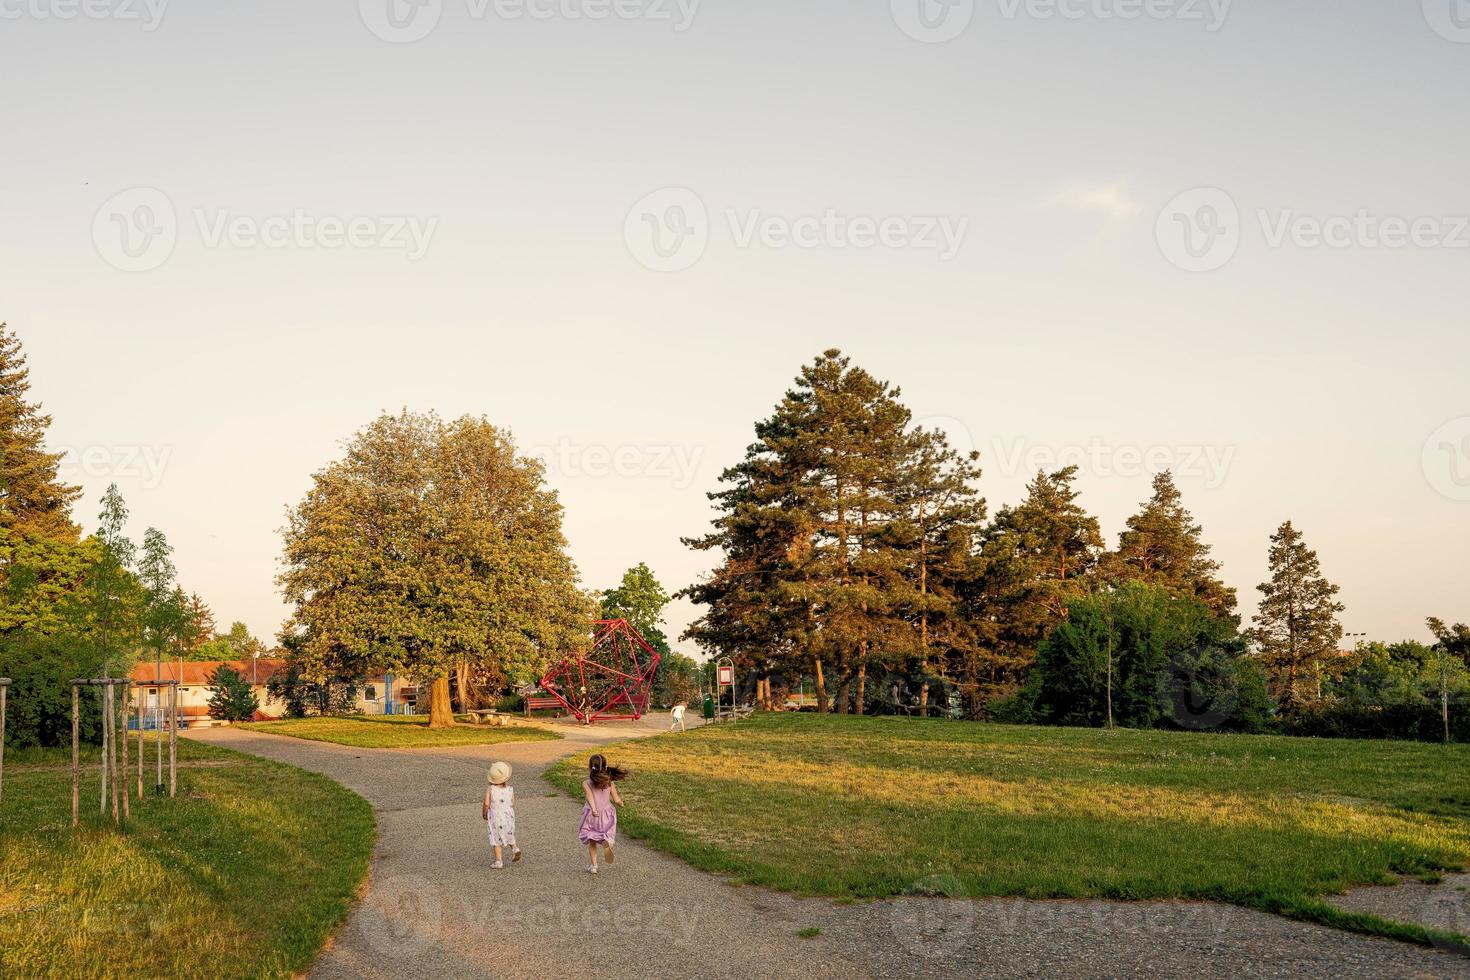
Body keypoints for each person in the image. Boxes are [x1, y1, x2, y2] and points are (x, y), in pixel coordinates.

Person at [578, 753, 627, 874]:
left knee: (592, 841)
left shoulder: (586, 783)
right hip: (606, 815)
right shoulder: (609, 783)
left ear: (590, 768)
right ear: (605, 767)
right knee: (606, 833)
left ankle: (594, 866)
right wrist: (621, 803)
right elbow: (616, 799)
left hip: (592, 816)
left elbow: (589, 796)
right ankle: (607, 843)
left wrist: (594, 809)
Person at [482, 761, 521, 869]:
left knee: (496, 838)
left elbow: (486, 803)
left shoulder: (491, 789)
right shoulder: (510, 789)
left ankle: (499, 861)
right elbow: (513, 802)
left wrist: (484, 813)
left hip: (496, 817)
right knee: (509, 832)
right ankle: (515, 848)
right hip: (508, 815)